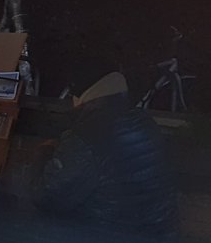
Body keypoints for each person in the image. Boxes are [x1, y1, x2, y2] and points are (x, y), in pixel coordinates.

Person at [31, 71, 176, 231]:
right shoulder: (145, 123)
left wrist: (43, 153)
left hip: (106, 240)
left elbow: (47, 198)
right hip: (156, 234)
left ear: (87, 101)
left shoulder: (86, 137)